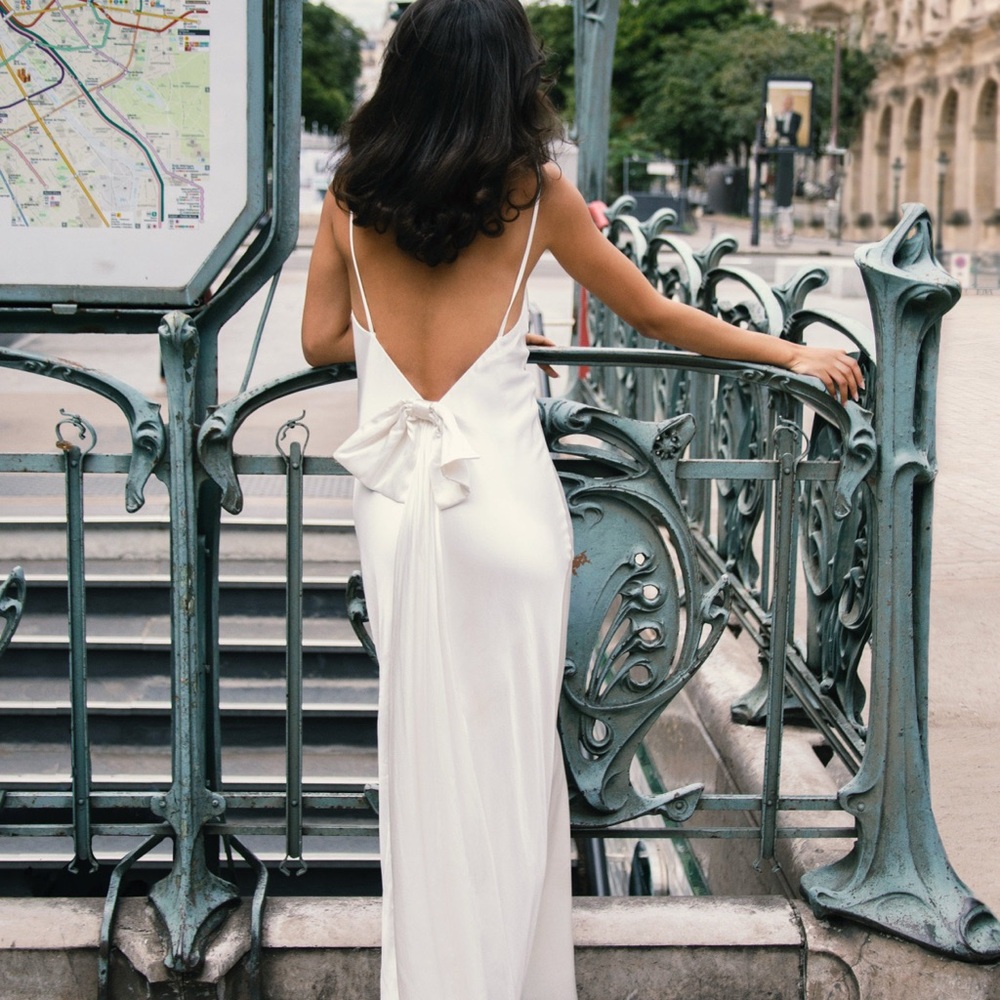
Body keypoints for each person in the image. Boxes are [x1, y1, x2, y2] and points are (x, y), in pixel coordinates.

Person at [300, 2, 863, 998]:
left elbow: (321, 342)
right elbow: (653, 312)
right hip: (507, 515)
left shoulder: (349, 194)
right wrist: (793, 351)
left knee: (423, 761)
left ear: (404, 74)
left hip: (401, 510)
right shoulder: (535, 193)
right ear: (506, 78)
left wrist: (406, 356)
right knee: (514, 773)